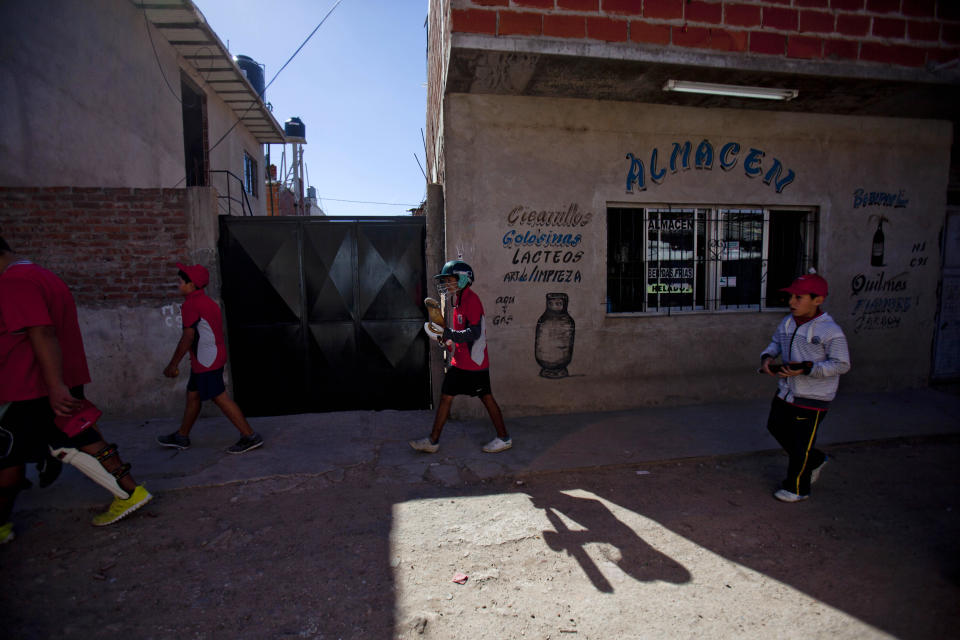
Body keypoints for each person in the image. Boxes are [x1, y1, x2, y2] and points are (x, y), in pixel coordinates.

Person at [0, 236, 152, 542]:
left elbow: (41, 331)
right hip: (55, 378)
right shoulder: (45, 277)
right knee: (77, 435)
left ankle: (128, 492)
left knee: (23, 451)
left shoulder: (16, 282)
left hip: (31, 382)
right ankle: (130, 490)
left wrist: (55, 385)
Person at [760, 272, 851, 503]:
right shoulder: (787, 322)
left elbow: (842, 364)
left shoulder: (830, 331)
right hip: (787, 391)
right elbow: (776, 343)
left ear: (817, 300)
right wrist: (768, 358)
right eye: (791, 297)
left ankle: (797, 488)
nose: (791, 302)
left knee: (800, 445)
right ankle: (814, 459)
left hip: (814, 398)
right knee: (775, 426)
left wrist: (808, 368)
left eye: (799, 298)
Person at [157, 263, 263, 454]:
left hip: (206, 360)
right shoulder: (208, 302)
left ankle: (250, 436)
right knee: (193, 395)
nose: (178, 285)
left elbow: (188, 337)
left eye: (180, 282)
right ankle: (182, 436)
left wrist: (173, 364)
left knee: (219, 397)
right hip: (209, 357)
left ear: (192, 285)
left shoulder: (191, 304)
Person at [409, 259, 512, 454]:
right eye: (446, 281)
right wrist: (448, 340)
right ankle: (433, 441)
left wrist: (448, 334)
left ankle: (504, 438)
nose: (447, 284)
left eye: (450, 280)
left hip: (475, 364)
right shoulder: (457, 301)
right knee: (446, 396)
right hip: (460, 363)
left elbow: (473, 333)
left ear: (463, 279)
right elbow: (459, 334)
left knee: (487, 398)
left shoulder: (472, 300)